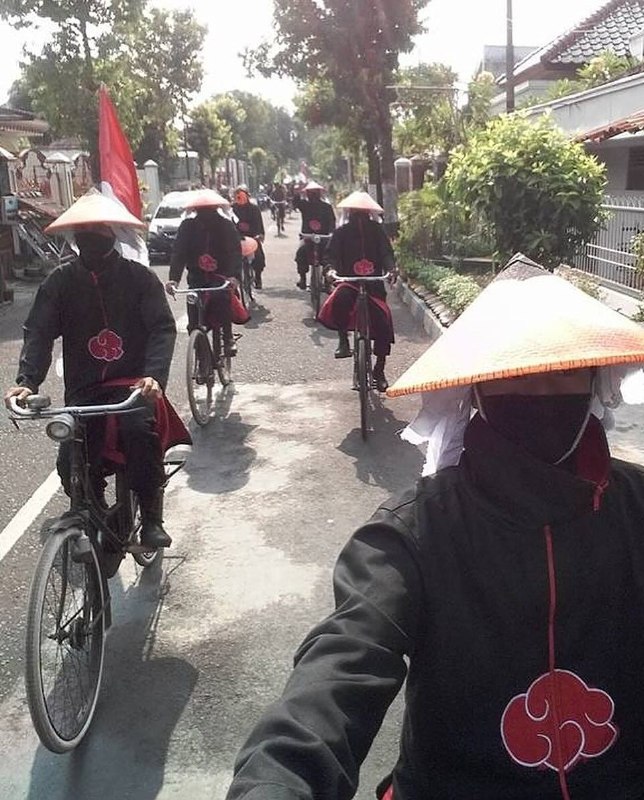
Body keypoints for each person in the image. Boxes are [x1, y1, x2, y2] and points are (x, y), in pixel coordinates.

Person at [225, 253, 644, 800]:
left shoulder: (636, 509)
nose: (541, 394)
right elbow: (340, 668)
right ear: (477, 390)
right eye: (516, 372)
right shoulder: (410, 533)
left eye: (562, 372)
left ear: (593, 383)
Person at [4, 191, 183, 550]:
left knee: (139, 434)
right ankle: (95, 506)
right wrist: (27, 381)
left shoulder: (140, 278)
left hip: (133, 384)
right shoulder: (59, 282)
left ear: (111, 234)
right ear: (75, 238)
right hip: (84, 388)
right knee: (73, 460)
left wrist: (153, 376)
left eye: (97, 230)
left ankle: (151, 519)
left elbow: (162, 328)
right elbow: (38, 331)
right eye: (83, 231)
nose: (90, 237)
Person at [317, 191, 395, 393]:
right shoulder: (341, 233)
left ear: (368, 212)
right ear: (350, 212)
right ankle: (343, 340)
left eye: (362, 211)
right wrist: (331, 270)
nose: (359, 215)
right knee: (339, 301)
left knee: (383, 319)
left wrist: (391, 268)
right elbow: (331, 255)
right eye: (356, 211)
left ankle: (380, 368)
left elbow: (387, 253)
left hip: (373, 284)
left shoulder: (378, 231)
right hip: (348, 282)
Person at [166, 189, 243, 356]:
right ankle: (200, 353)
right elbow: (178, 253)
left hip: (220, 277)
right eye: (201, 210)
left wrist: (234, 276)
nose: (205, 214)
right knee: (193, 318)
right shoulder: (187, 227)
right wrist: (173, 279)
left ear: (216, 208)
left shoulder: (226, 225)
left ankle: (228, 338)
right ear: (195, 211)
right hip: (196, 278)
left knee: (222, 299)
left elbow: (235, 252)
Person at [293, 180, 336, 289]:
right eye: (310, 193)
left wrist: (331, 233)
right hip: (307, 237)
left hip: (324, 238)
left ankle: (327, 280)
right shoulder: (304, 205)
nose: (313, 195)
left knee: (329, 256)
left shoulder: (326, 207)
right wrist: (297, 192)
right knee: (301, 253)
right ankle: (302, 279)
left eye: (315, 193)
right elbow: (296, 203)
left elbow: (332, 221)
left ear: (319, 194)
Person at [232, 185, 266, 289]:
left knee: (259, 256)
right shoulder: (231, 209)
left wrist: (260, 235)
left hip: (252, 237)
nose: (240, 198)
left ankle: (258, 277)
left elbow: (259, 225)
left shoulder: (254, 209)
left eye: (242, 195)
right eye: (237, 196)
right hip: (236, 238)